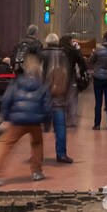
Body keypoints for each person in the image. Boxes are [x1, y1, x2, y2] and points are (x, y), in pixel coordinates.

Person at [0, 53, 52, 185]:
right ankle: (36, 172)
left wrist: (5, 118)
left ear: (24, 68)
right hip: (35, 122)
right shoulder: (42, 86)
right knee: (37, 144)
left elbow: (7, 100)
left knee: (7, 146)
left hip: (17, 121)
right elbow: (47, 107)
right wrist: (47, 125)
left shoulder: (16, 83)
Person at [41, 33, 73, 163]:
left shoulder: (40, 54)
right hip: (58, 96)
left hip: (42, 97)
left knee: (35, 129)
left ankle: (37, 155)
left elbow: (36, 74)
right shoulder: (63, 55)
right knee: (60, 126)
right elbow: (67, 75)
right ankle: (61, 154)